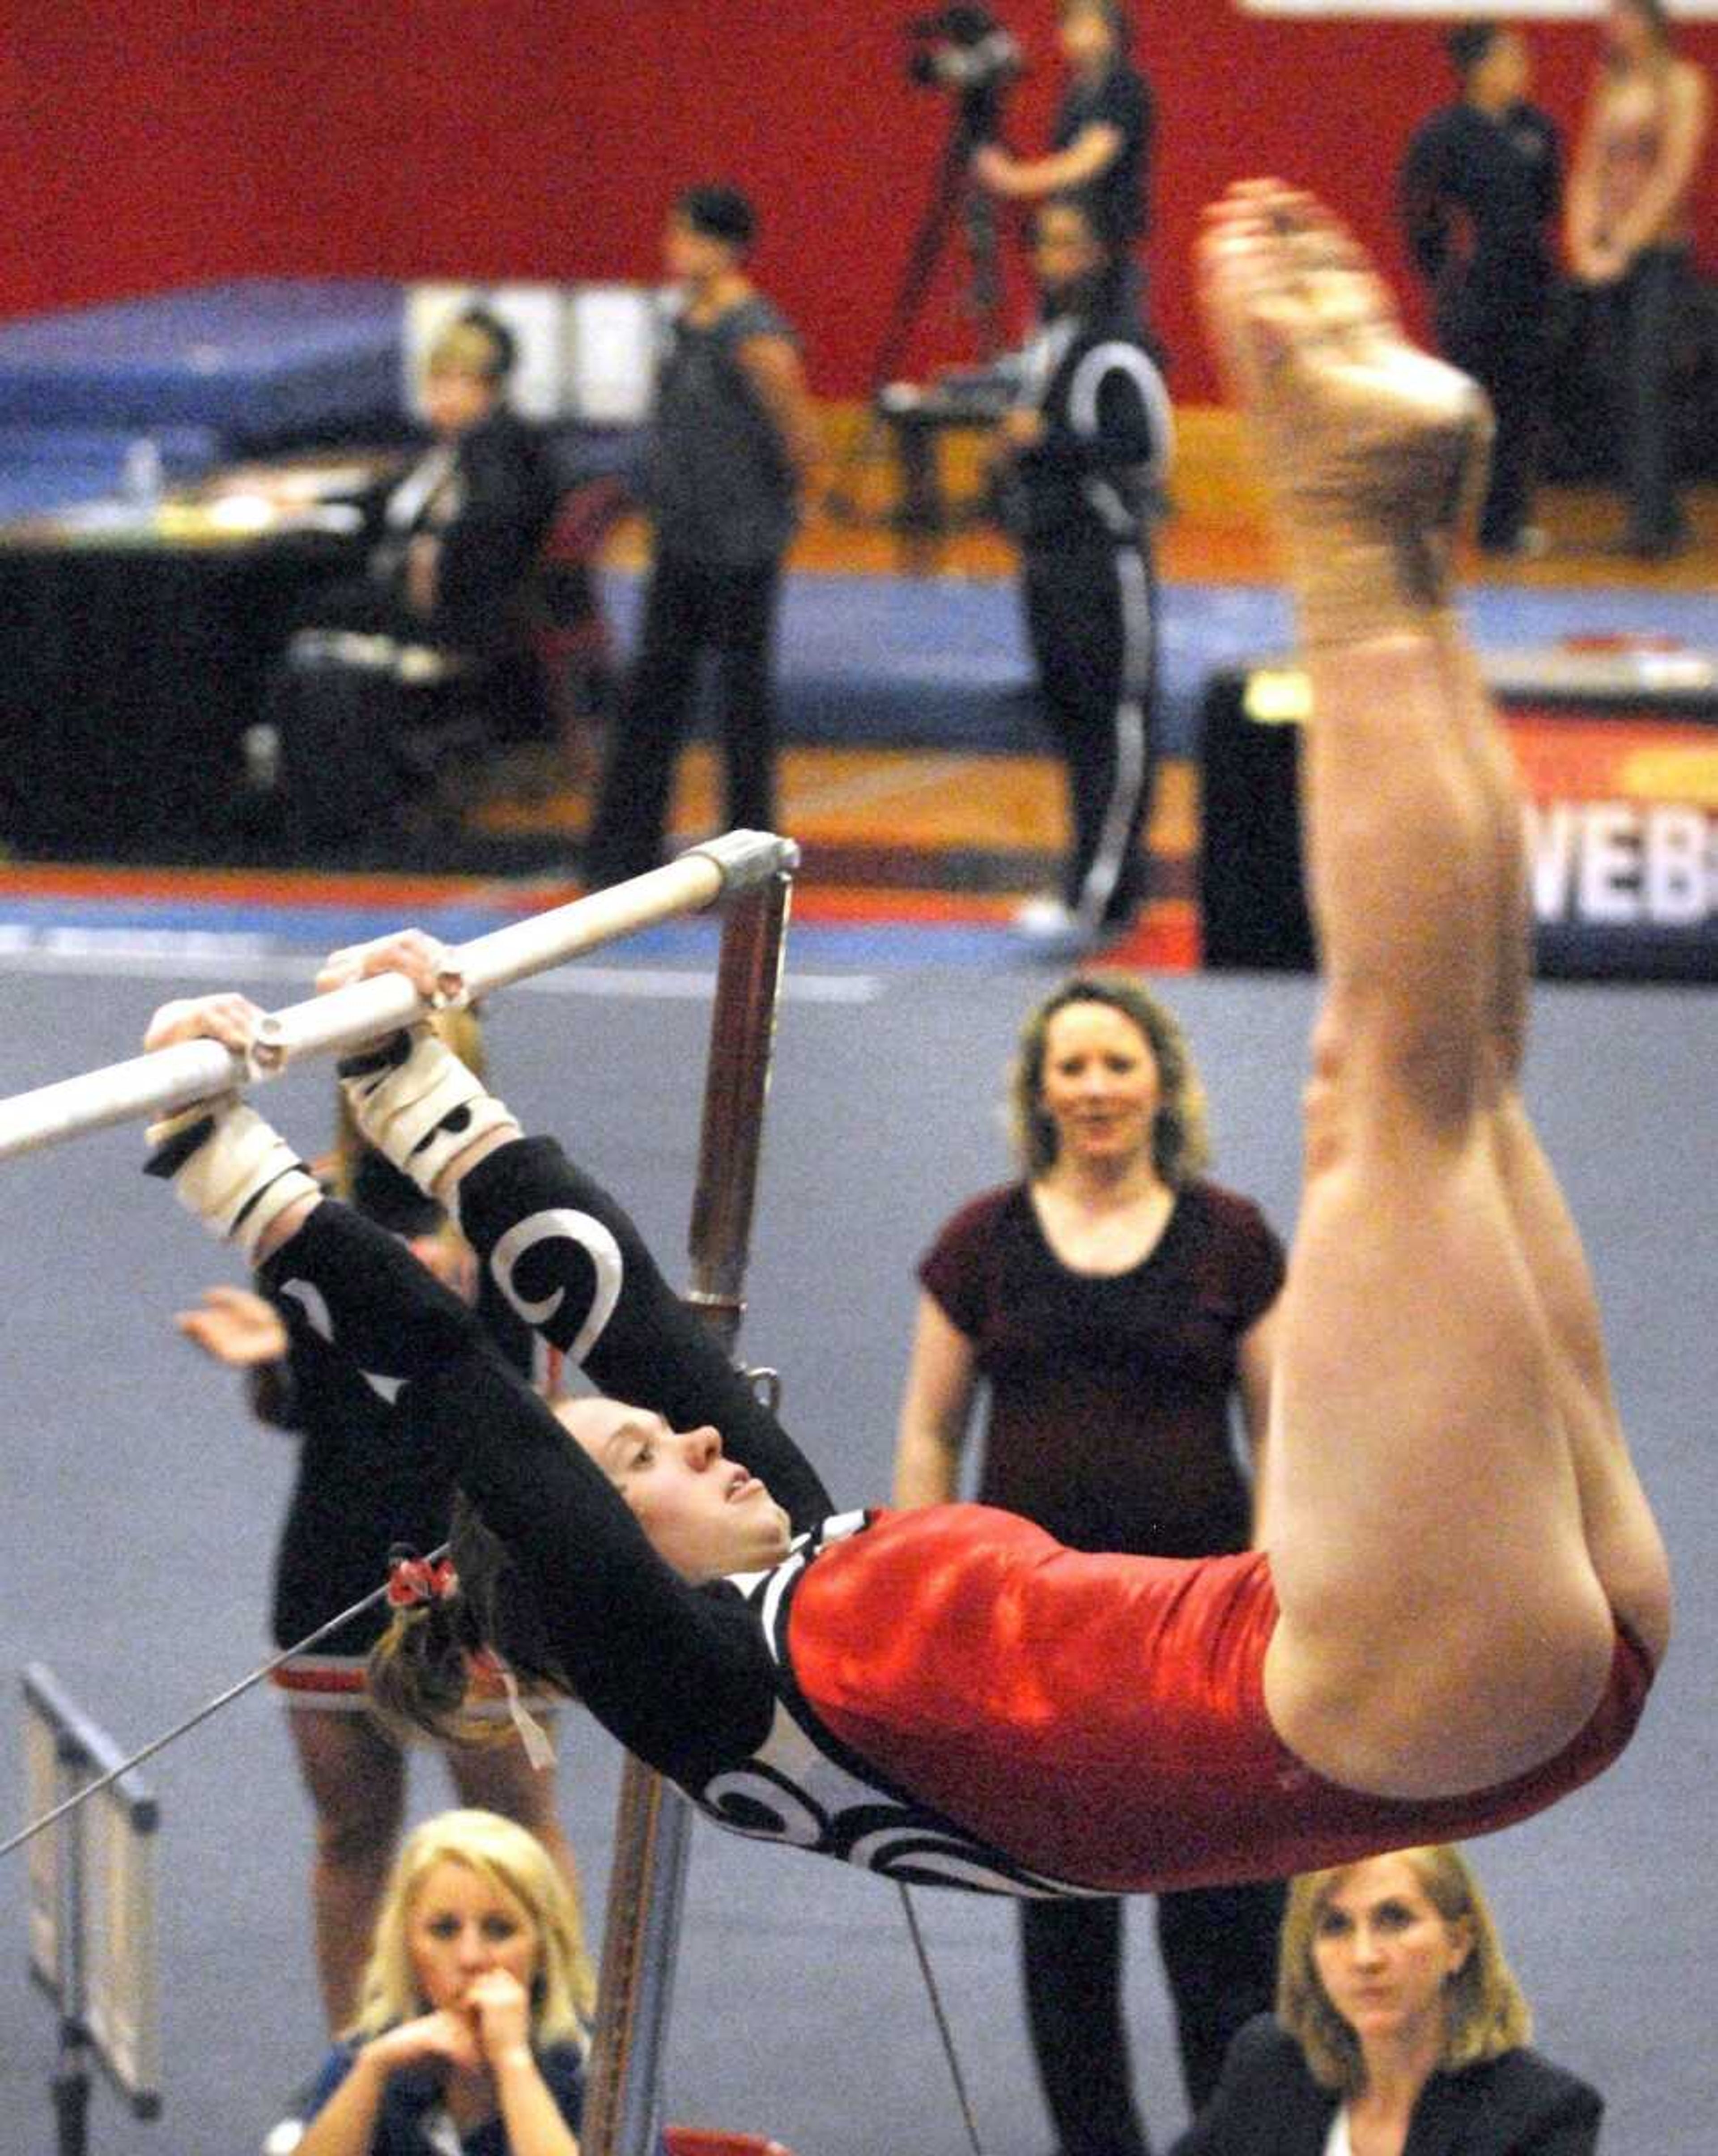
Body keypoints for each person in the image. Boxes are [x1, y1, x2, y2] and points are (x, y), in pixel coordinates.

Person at [137, 179, 1671, 1910]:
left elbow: (618, 1314)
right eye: (642, 1465)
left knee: (1442, 1073)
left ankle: (1391, 546)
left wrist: (421, 1093)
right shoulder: (706, 1703)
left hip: (1457, 1658)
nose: (698, 1436)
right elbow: (466, 1388)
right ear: (589, 1583)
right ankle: (1341, 522)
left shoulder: (808, 1569)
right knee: (1385, 1096)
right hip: (1376, 1685)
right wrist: (232, 1166)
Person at [894, 972, 1286, 2139]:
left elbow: (1288, 1432)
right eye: (1073, 1066)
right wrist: (920, 1595)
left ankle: (1234, 2137)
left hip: (1199, 1635)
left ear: (1162, 1081)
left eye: (1119, 1062)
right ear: (1040, 1092)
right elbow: (929, 1429)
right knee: (1063, 1926)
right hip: (1036, 1644)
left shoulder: (1232, 1239)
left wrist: (1271, 1597)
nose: (1098, 1086)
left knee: (1221, 1919)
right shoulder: (983, 1243)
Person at [174, 1011, 595, 2031]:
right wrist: (271, 1362)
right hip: (337, 1553)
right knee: (352, 1835)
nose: (379, 1091)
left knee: (516, 1832)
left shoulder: (508, 1209)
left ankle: (560, 2071)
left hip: (480, 1560)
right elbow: (300, 1407)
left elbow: (538, 1400)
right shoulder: (300, 1205)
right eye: (365, 1072)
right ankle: (355, 2077)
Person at [582, 184, 819, 891]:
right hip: (681, 539)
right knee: (653, 690)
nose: (672, 249)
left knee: (743, 701)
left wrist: (793, 505)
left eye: (685, 237)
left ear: (723, 247)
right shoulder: (684, 322)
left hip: (740, 545)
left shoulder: (753, 332)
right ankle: (623, 850)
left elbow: (798, 431)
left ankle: (753, 858)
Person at [261, 307, 560, 853]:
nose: (439, 397)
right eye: (434, 382)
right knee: (313, 602)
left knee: (300, 609)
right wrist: (311, 499)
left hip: (458, 621)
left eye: (454, 383)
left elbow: (497, 521)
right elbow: (388, 499)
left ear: (487, 388)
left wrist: (438, 550)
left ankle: (319, 789)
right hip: (418, 600)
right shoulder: (450, 450)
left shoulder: (497, 448)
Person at [990, 195, 1171, 955]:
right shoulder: (1049, 341)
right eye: (1044, 244)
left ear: (1099, 253)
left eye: (1070, 244)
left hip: (1104, 563)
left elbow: (1145, 449)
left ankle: (1102, 896)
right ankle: (1083, 881)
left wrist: (1047, 440)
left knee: (1117, 730)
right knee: (1073, 727)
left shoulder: (1116, 348)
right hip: (1050, 558)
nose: (1052, 260)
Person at [1167, 1845, 1602, 2154]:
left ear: (1458, 1942)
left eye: (1394, 1919)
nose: (1365, 1956)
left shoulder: (1538, 2115)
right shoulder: (1270, 2065)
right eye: (1335, 1925)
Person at [293, 1807, 591, 2156]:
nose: (471, 1958)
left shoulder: (591, 2065)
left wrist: (513, 2062)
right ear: (407, 1946)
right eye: (444, 1930)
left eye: (500, 1930)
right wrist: (372, 2071)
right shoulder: (371, 2056)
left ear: (543, 1949)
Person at [1399, 24, 1561, 558]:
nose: (1522, 70)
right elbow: (1418, 212)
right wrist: (1445, 273)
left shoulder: (1538, 129)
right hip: (1470, 294)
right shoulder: (1442, 134)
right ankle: (1439, 524)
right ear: (1479, 69)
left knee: (1519, 409)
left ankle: (1503, 526)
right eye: (1510, 59)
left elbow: (1545, 206)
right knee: (1459, 412)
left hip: (1527, 291)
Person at [1565, 0, 1711, 558]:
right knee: (1620, 382)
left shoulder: (1682, 83)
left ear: (1649, 21)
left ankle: (1652, 523)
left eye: (1624, 16)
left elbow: (1676, 170)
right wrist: (1583, 242)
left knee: (1650, 382)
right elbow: (1590, 168)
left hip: (1658, 256)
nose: (1615, 28)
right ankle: (1656, 509)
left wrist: (1628, 241)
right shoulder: (1611, 83)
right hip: (1611, 257)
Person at [974, 2, 1153, 310]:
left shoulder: (1124, 87)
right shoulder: (1076, 91)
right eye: (1068, 25)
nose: (1075, 36)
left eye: (1086, 24)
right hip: (1067, 240)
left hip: (1106, 246)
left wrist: (1014, 180)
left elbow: (1089, 160)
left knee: (1105, 337)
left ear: (1112, 32)